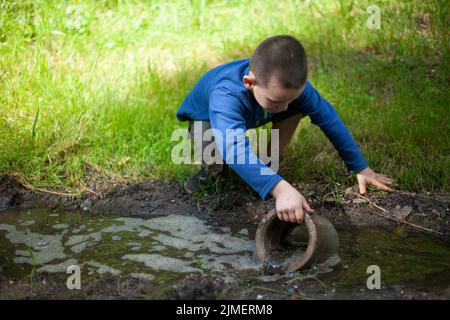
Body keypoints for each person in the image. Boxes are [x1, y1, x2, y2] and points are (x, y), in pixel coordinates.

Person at [176, 35, 394, 224]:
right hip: (207, 119)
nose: (284, 108)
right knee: (217, 157)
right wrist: (282, 190)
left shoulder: (288, 92)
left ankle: (268, 167)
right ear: (249, 82)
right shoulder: (226, 95)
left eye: (292, 98)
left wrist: (360, 167)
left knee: (295, 110)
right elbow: (234, 148)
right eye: (277, 101)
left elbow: (329, 120)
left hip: (255, 109)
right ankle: (209, 177)